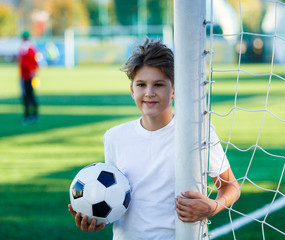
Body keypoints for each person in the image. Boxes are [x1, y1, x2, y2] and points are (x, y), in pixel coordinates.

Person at [68, 38, 240, 239]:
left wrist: (213, 206)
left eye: (158, 85)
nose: (149, 93)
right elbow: (115, 198)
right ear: (132, 90)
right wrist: (98, 219)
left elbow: (231, 186)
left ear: (174, 90)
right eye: (141, 84)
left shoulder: (198, 133)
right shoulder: (115, 137)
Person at [19, 30, 39, 125]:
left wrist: (28, 72)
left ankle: (27, 115)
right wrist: (33, 72)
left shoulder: (25, 48)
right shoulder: (32, 47)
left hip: (25, 76)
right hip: (32, 75)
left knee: (26, 96)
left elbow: (24, 64)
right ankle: (35, 114)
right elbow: (35, 63)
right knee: (31, 95)